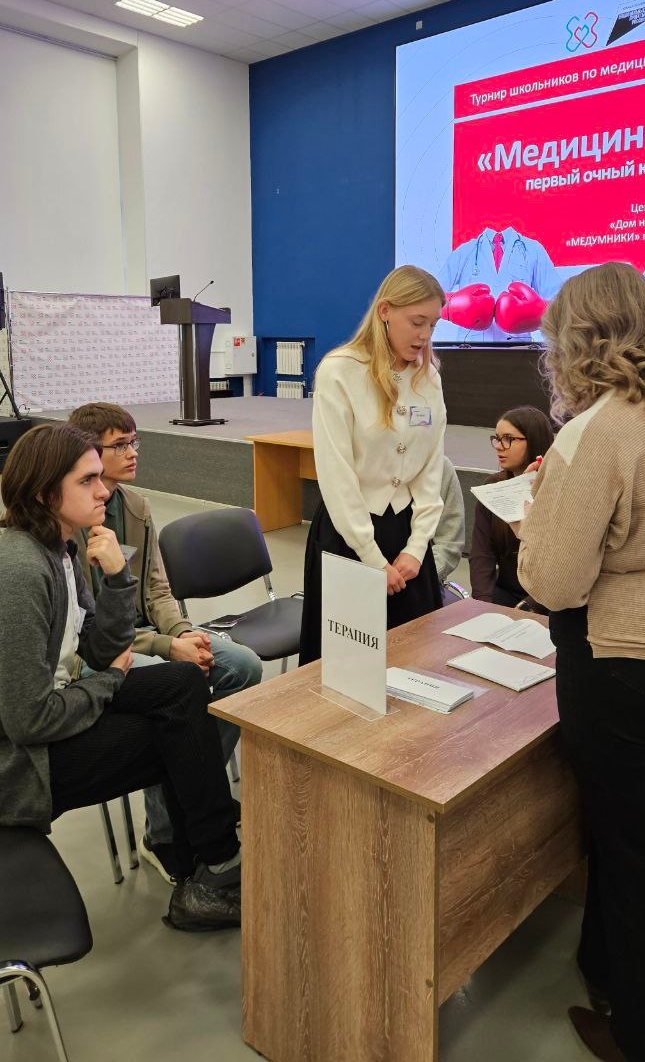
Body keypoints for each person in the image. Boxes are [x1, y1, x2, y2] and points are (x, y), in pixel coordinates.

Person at [515, 262, 645, 1062]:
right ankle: (604, 970)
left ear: (576, 340)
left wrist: (539, 518)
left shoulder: (594, 433)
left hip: (627, 663)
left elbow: (553, 583)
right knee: (630, 826)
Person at [0, 423, 242, 932]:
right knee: (178, 738)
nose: (104, 492)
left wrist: (116, 578)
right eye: (87, 480)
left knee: (183, 684)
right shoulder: (20, 570)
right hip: (24, 764)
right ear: (45, 493)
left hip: (62, 705)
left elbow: (99, 646)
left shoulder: (62, 549)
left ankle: (208, 864)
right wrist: (108, 681)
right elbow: (28, 721)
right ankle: (212, 868)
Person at [67, 402, 262, 883]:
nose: (133, 452)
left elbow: (157, 589)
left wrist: (183, 632)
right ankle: (165, 832)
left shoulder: (136, 507)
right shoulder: (68, 524)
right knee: (176, 688)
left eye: (134, 442)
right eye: (120, 445)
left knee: (243, 666)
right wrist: (165, 648)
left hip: (150, 638)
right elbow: (89, 631)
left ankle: (191, 795)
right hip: (97, 653)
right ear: (88, 454)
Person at [299, 265, 447, 665]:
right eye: (417, 322)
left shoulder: (428, 379)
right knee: (348, 668)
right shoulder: (340, 372)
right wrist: (371, 557)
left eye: (433, 324)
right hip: (349, 536)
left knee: (414, 660)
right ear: (385, 311)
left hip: (407, 540)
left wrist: (417, 547)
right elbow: (337, 475)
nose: (425, 335)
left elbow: (430, 471)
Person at [469, 406, 554, 607]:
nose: (499, 446)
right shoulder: (493, 486)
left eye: (508, 439)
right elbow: (482, 555)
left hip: (548, 598)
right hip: (504, 593)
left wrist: (529, 606)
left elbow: (562, 565)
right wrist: (482, 604)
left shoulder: (556, 489)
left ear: (533, 440)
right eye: (497, 438)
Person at [437, 225, 559, 343]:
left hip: (518, 347)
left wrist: (536, 312)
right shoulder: (464, 251)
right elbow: (432, 295)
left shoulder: (533, 250)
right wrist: (454, 307)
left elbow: (560, 303)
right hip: (471, 346)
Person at [433, 455, 466, 600]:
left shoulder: (440, 466)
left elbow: (449, 543)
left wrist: (424, 575)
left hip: (421, 581)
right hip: (369, 578)